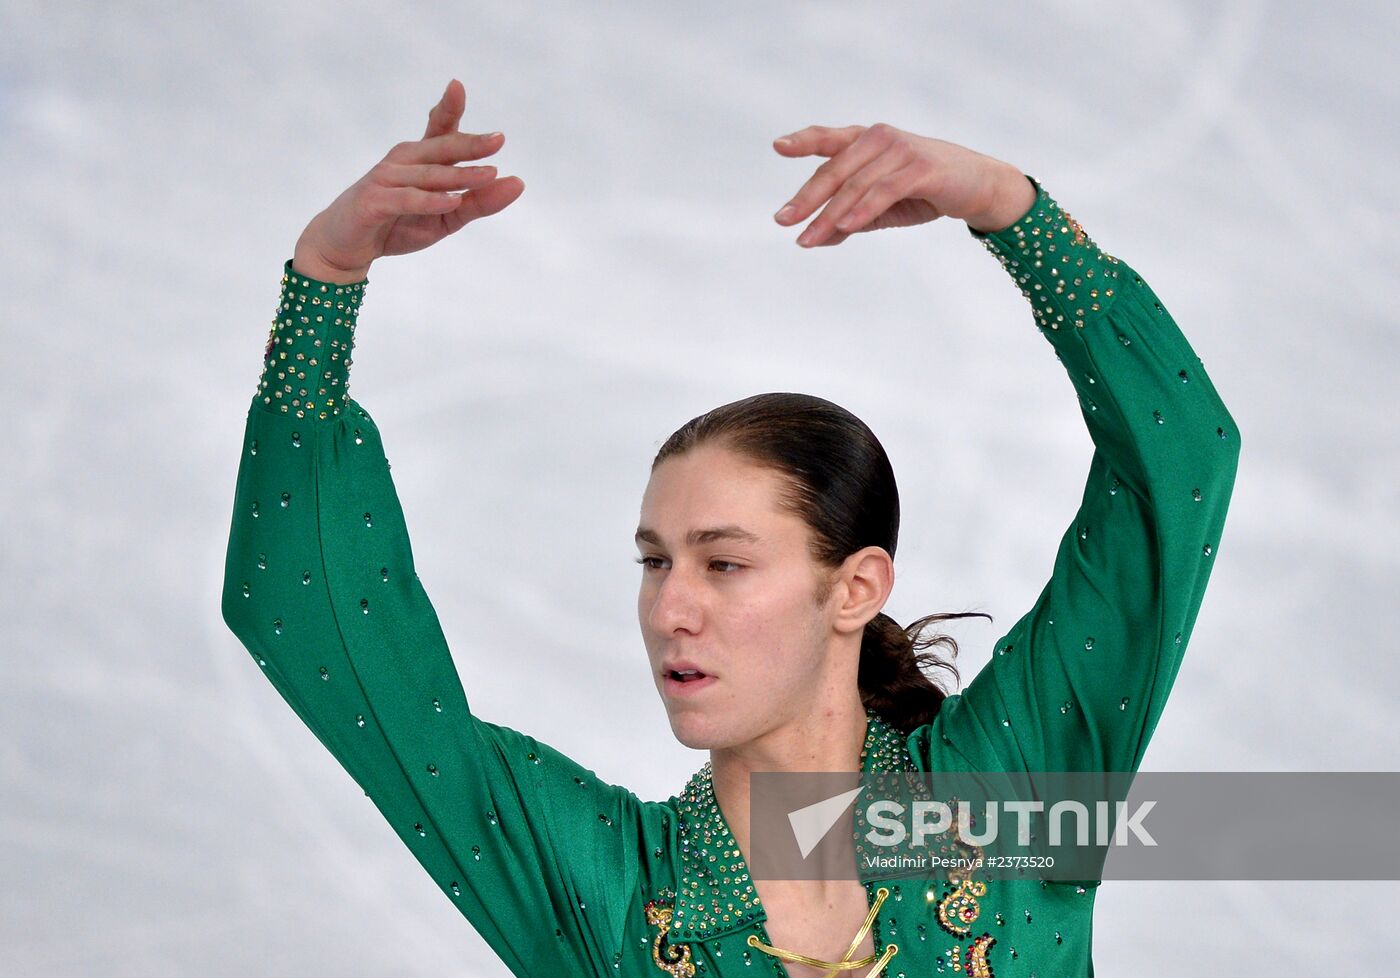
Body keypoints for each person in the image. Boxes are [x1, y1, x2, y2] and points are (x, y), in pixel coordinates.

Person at [221, 78, 1241, 978]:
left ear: (855, 588)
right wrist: (325, 278)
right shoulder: (609, 893)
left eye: (723, 563)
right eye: (654, 561)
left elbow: (1178, 462)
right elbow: (313, 624)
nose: (669, 607)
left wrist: (1005, 206)